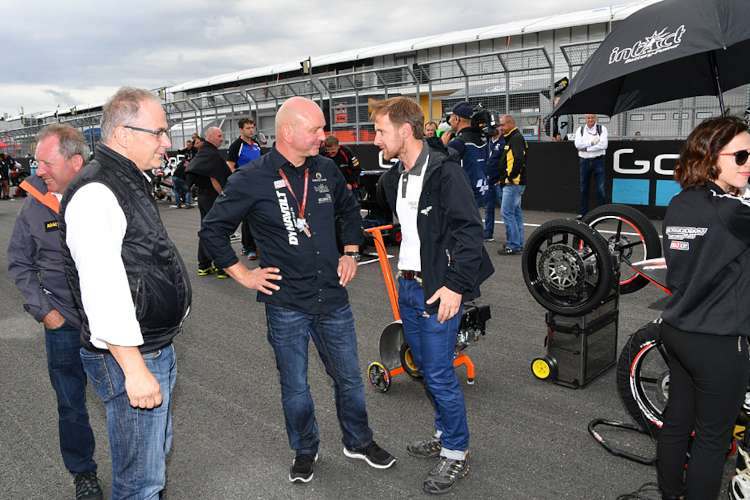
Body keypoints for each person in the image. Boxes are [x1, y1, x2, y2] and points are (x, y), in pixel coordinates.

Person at [199, 96, 395, 484]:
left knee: (350, 379)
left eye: (323, 128)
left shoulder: (326, 169)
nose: (324, 135)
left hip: (333, 296)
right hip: (286, 302)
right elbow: (213, 230)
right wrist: (244, 275)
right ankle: (305, 449)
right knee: (296, 386)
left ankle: (358, 441)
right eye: (316, 129)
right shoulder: (251, 178)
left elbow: (348, 210)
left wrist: (352, 252)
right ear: (287, 132)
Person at [58, 86, 192, 500]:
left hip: (151, 346)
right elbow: (102, 288)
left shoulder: (125, 179)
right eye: (159, 132)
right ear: (123, 135)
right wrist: (134, 370)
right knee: (139, 483)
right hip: (130, 355)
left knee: (152, 465)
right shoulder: (98, 190)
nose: (167, 142)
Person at [374, 96, 493, 495]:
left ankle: (456, 454)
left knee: (440, 373)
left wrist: (456, 285)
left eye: (381, 131)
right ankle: (444, 435)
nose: (376, 140)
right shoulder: (394, 178)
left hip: (438, 288)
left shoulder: (444, 172)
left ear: (405, 131)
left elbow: (470, 232)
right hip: (408, 286)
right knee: (425, 367)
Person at [7, 124, 103, 500]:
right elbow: (19, 260)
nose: (38, 170)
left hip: (110, 322)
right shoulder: (34, 203)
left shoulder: (104, 194)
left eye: (46, 162)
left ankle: (138, 474)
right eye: (37, 162)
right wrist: (44, 310)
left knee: (130, 402)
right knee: (71, 405)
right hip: (61, 324)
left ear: (75, 161)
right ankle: (83, 473)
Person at [657, 116, 750, 500]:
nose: (749, 162)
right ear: (712, 159)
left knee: (677, 424)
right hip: (718, 341)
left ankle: (670, 494)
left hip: (678, 330)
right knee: (713, 442)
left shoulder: (680, 201)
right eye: (741, 154)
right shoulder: (731, 212)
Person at [185, 127, 232, 277]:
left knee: (206, 229)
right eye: (219, 136)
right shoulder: (212, 155)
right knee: (219, 230)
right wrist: (223, 196)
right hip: (212, 196)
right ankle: (222, 267)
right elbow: (214, 178)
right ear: (210, 137)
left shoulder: (203, 152)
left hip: (202, 196)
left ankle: (204, 265)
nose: (222, 139)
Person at [441, 101, 488, 207]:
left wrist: (442, 146)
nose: (449, 120)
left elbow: (439, 163)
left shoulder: (458, 143)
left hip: (463, 197)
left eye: (451, 117)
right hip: (480, 193)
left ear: (457, 119)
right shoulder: (482, 141)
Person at [227, 118, 262, 260]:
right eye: (247, 128)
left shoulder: (256, 144)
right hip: (244, 186)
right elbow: (230, 165)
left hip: (258, 185)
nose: (251, 130)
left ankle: (251, 245)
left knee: (258, 216)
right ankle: (249, 248)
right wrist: (239, 182)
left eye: (252, 127)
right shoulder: (237, 145)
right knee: (248, 217)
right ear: (241, 130)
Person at [497, 115, 527, 255]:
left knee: (507, 213)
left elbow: (519, 159)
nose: (500, 128)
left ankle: (514, 245)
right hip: (514, 183)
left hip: (514, 184)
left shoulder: (515, 138)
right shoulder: (513, 137)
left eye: (502, 125)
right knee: (515, 213)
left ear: (511, 123)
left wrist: (510, 177)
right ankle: (518, 243)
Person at [574, 113, 608, 217]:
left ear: (595, 118)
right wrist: (594, 142)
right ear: (585, 119)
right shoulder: (580, 130)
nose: (590, 120)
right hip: (584, 162)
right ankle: (584, 214)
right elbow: (578, 145)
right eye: (588, 118)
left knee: (601, 190)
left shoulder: (602, 129)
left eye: (592, 117)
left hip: (598, 161)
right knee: (584, 189)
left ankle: (601, 215)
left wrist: (587, 147)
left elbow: (604, 145)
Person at [483, 128, 505, 242]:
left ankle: (511, 238)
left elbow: (507, 160)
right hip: (489, 181)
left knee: (505, 210)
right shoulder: (487, 142)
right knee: (488, 209)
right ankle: (488, 233)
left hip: (499, 182)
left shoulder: (504, 141)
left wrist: (503, 178)